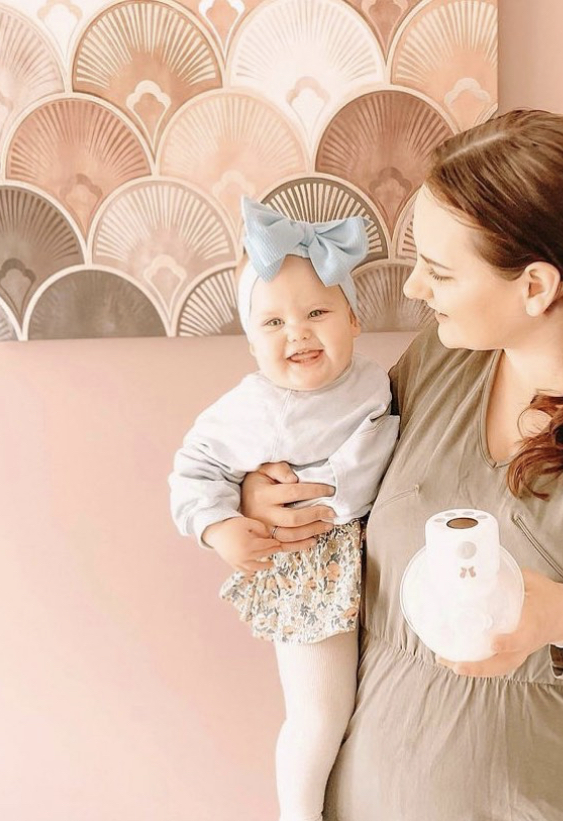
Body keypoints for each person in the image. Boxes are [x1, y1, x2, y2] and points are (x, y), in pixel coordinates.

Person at [236, 110, 563, 820]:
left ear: (534, 286)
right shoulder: (442, 359)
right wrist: (259, 492)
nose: (413, 291)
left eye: (438, 271)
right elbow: (337, 464)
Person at [168, 198, 399, 821]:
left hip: (375, 565)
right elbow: (193, 468)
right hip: (309, 570)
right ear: (250, 342)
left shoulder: (379, 382)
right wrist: (218, 527)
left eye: (317, 312)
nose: (297, 332)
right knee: (320, 716)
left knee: (371, 715)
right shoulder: (258, 406)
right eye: (271, 324)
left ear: (354, 318)